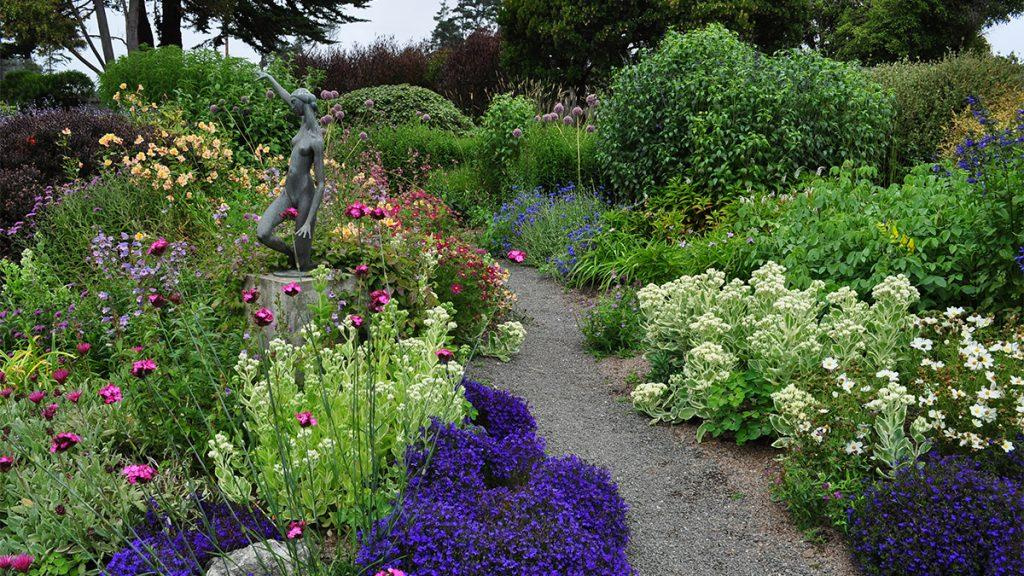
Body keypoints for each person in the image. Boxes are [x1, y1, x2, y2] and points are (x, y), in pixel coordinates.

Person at [255, 70, 325, 272]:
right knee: (263, 233)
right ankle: (290, 254)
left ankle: (301, 260)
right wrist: (270, 78)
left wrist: (309, 221)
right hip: (288, 192)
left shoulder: (316, 140)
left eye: (294, 104)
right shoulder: (303, 125)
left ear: (302, 105)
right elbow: (289, 97)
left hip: (305, 195)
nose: (290, 107)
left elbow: (321, 183)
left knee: (303, 263)